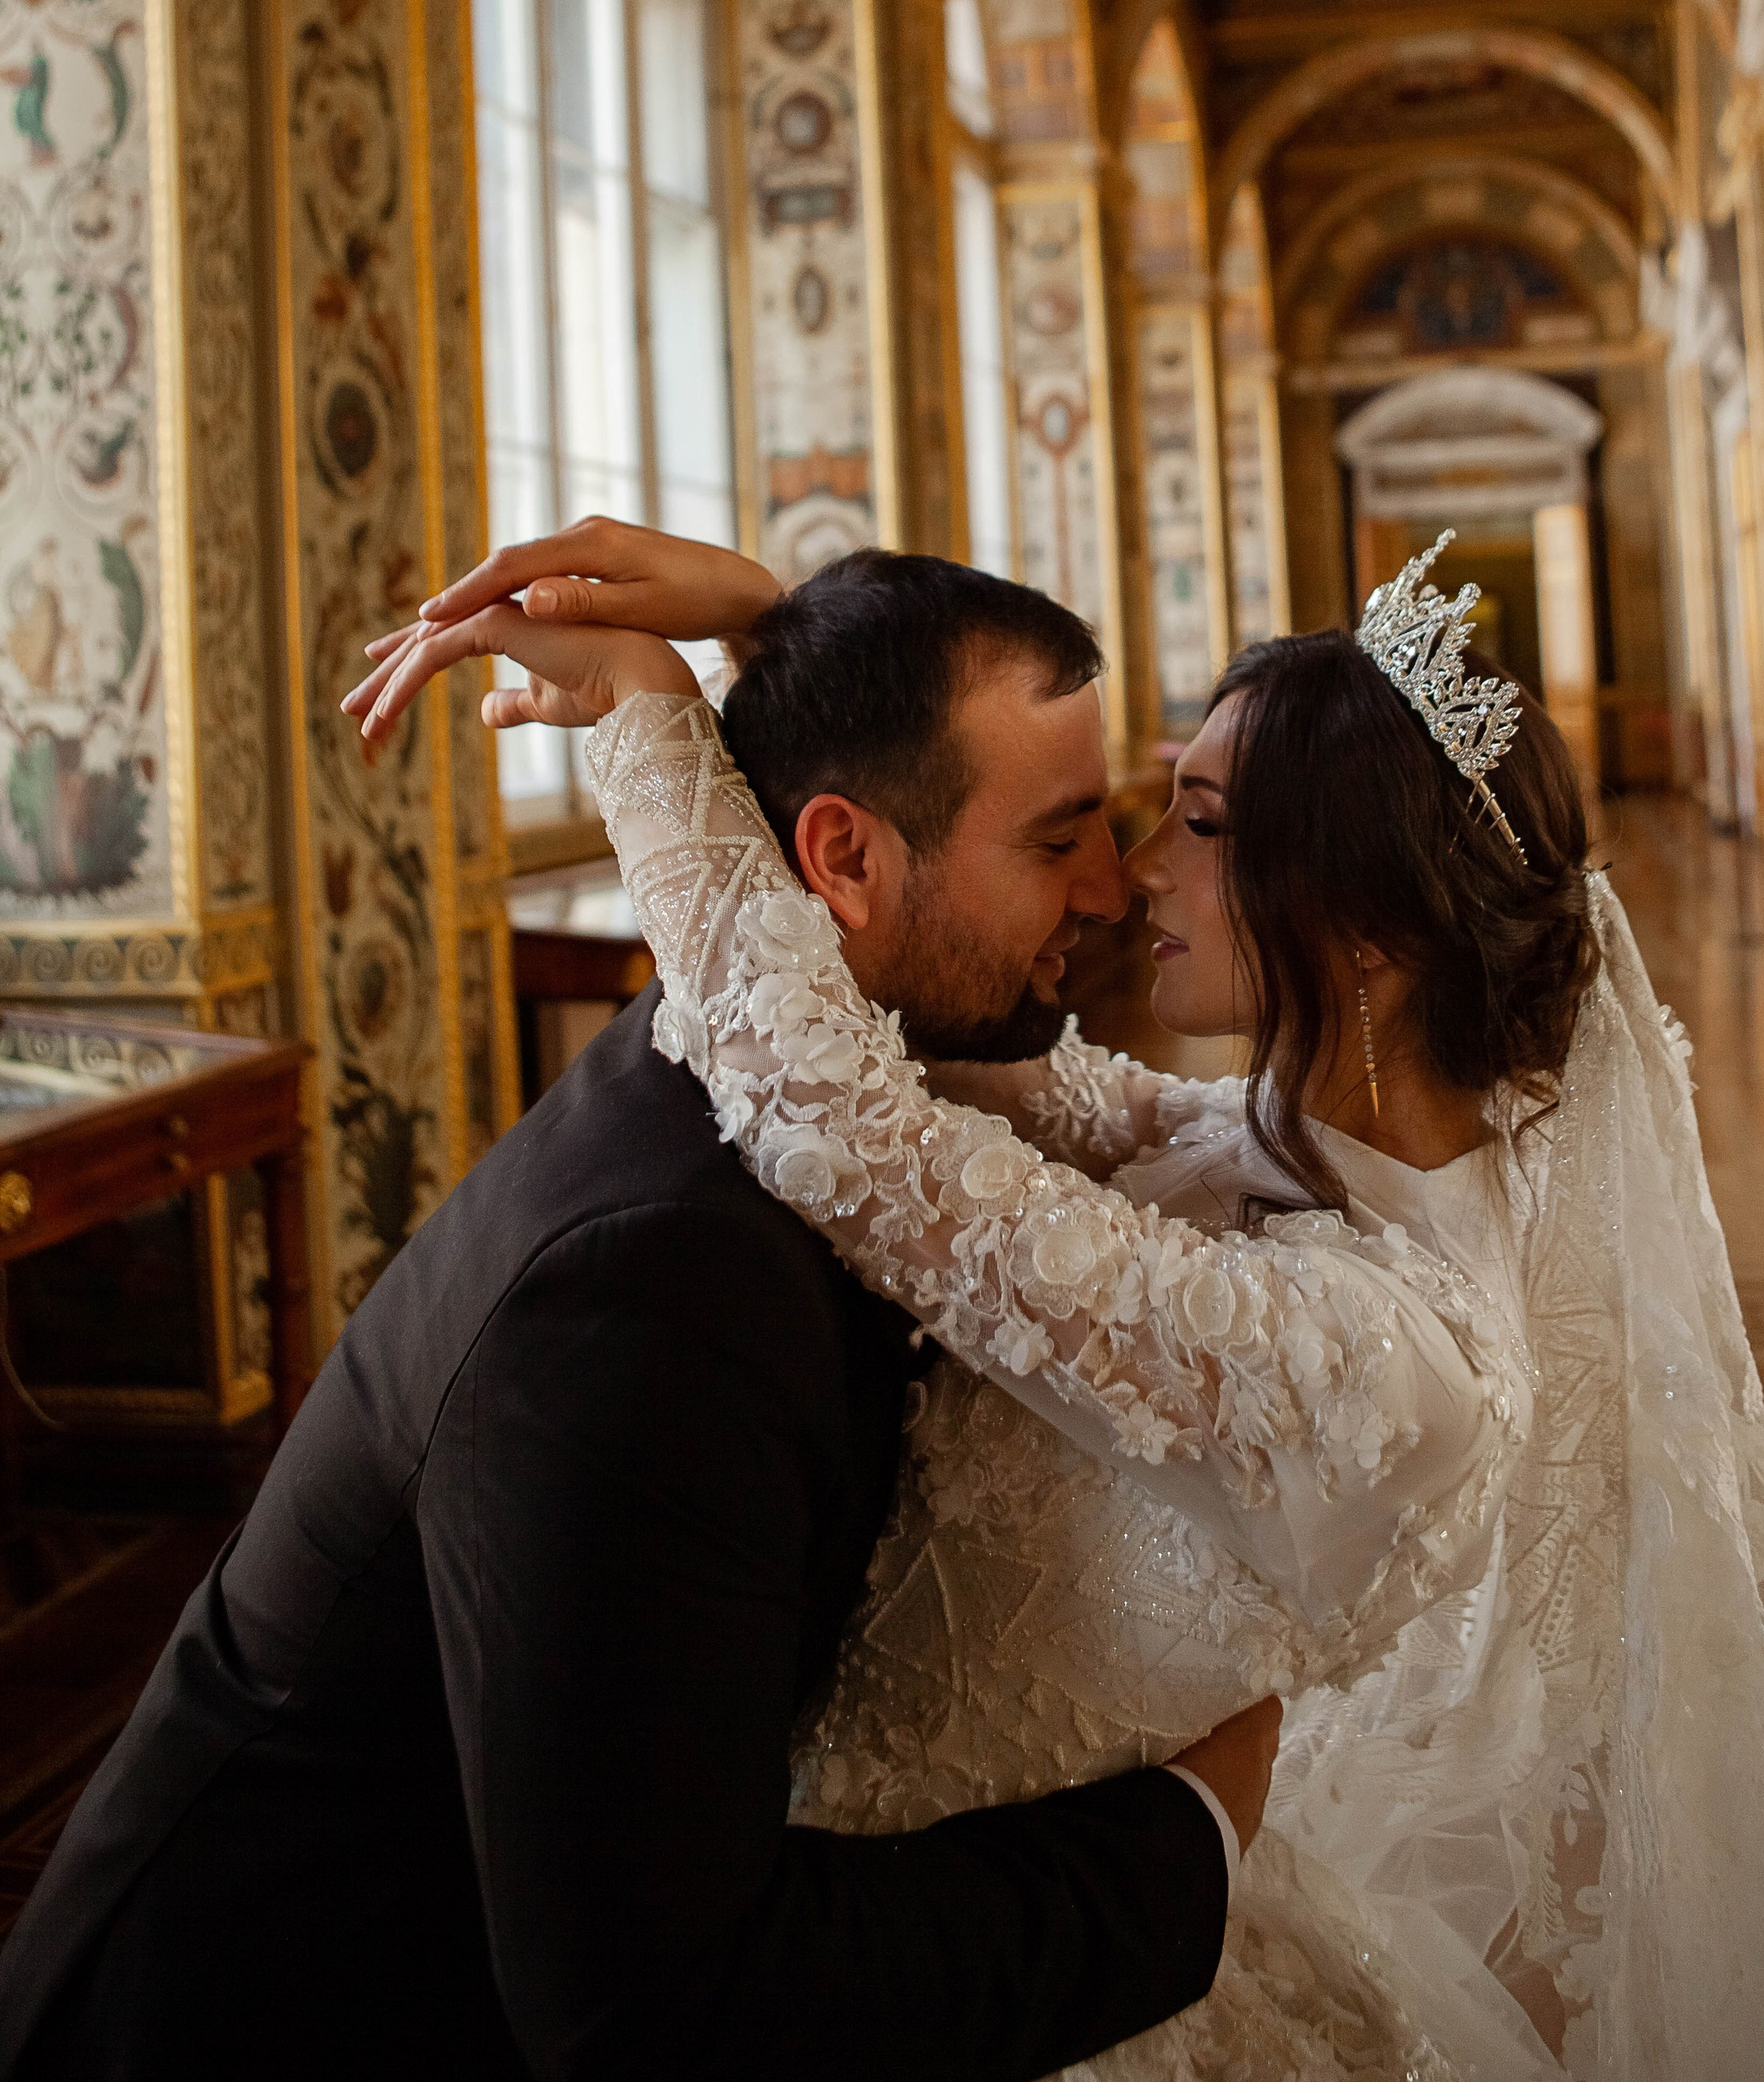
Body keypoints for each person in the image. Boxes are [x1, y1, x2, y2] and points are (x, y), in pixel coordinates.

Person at [352, 518, 1764, 2082]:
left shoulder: (1390, 1355)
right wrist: (791, 634)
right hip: (860, 1921)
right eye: (1109, 825)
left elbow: (847, 1126)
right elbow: (959, 1052)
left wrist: (648, 697)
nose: (1126, 882)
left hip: (954, 1968)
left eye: (1194, 822)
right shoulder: (1260, 1145)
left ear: (1367, 923)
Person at [0, 545, 1287, 2082]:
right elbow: (654, 2015)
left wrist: (771, 622)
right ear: (844, 862)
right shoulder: (652, 1296)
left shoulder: (825, 1079)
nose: (1111, 884)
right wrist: (1186, 1841)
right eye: (1061, 835)